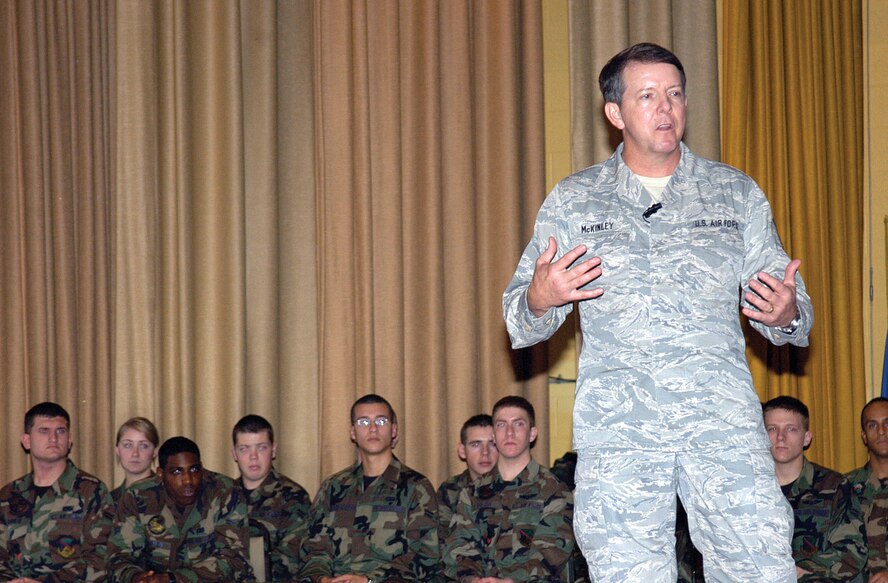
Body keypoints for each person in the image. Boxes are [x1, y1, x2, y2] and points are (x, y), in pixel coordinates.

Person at [502, 42, 813, 581]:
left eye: (674, 94)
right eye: (648, 96)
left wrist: (784, 311)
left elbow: (792, 314)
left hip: (721, 426)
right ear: (616, 113)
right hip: (622, 431)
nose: (666, 108)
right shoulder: (575, 201)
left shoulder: (734, 194)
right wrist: (541, 298)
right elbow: (518, 319)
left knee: (761, 567)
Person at [299, 394, 441, 582]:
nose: (373, 429)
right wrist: (322, 579)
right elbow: (313, 547)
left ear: (394, 430)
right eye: (363, 422)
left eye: (381, 421)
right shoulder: (334, 487)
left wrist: (370, 581)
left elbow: (425, 555)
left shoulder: (416, 487)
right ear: (352, 432)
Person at [443, 396, 575, 581]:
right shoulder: (472, 492)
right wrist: (473, 579)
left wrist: (510, 581)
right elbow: (459, 546)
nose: (510, 433)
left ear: (532, 434)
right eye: (502, 425)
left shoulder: (554, 491)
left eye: (518, 424)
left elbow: (552, 552)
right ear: (494, 436)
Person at [106, 436, 254, 582]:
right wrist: (137, 578)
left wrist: (173, 579)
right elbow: (118, 557)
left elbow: (234, 559)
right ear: (160, 474)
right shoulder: (138, 497)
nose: (188, 480)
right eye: (177, 472)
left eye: (194, 470)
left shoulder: (224, 491)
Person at [0, 401, 113, 581]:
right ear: (26, 441)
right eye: (44, 431)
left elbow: (101, 560)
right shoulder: (8, 495)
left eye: (60, 431)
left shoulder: (91, 491)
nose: (53, 438)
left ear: (69, 441)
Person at [763, 396, 866, 580]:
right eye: (772, 429)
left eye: (791, 429)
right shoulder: (749, 491)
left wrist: (802, 569)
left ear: (806, 438)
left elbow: (853, 550)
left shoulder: (834, 486)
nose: (780, 437)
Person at [232, 414, 311, 581]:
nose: (253, 456)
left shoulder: (293, 497)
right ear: (234, 454)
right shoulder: (224, 496)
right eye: (244, 449)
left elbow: (291, 561)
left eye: (261, 448)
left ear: (273, 450)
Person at [846, 397, 888, 581]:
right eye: (872, 425)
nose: (881, 431)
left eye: (887, 423)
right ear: (863, 436)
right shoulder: (842, 488)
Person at [437, 414, 498, 540]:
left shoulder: (517, 486)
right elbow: (441, 541)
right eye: (476, 445)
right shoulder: (450, 490)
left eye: (493, 444)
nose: (485, 452)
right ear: (462, 451)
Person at [112, 417, 161, 503]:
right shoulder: (109, 500)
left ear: (155, 451)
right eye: (127, 445)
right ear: (117, 450)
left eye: (143, 446)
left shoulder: (168, 497)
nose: (135, 453)